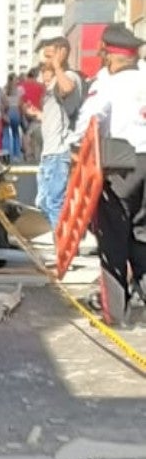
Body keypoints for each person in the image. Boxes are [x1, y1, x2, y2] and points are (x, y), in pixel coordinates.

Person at [68, 24, 146, 325]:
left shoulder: (108, 83)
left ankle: (116, 312)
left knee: (113, 239)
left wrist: (75, 150)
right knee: (142, 236)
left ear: (111, 57)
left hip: (120, 167)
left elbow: (88, 120)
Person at [24, 38, 84, 230]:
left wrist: (57, 65)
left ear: (62, 52)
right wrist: (39, 114)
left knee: (53, 203)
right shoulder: (56, 79)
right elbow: (58, 112)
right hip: (49, 151)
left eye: (50, 55)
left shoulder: (68, 76)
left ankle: (62, 246)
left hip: (59, 151)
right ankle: (63, 237)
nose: (46, 60)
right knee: (43, 202)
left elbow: (67, 89)